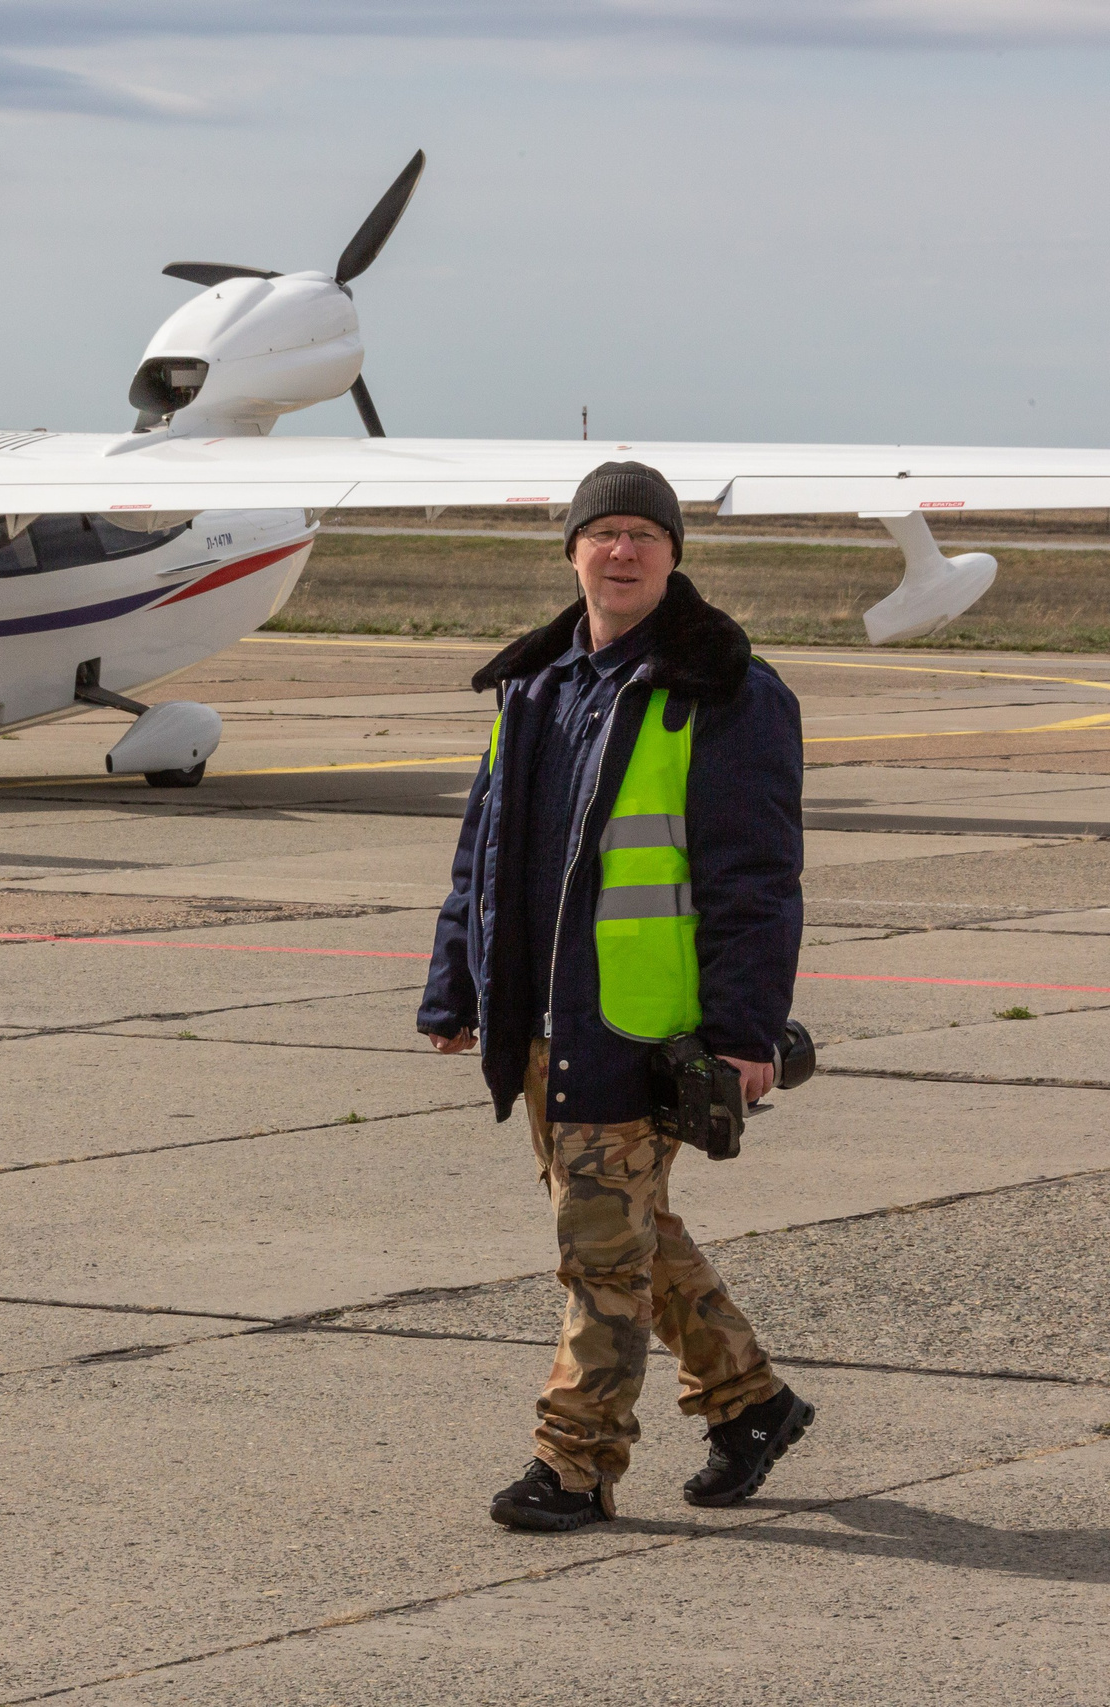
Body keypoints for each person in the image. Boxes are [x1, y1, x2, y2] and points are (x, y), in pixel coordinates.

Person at [418, 459, 813, 1534]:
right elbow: (484, 852)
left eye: (645, 533)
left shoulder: (722, 691)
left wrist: (741, 1034)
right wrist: (457, 983)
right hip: (541, 1025)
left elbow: (754, 878)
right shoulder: (536, 686)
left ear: (674, 553)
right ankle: (751, 1403)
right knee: (631, 1232)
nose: (623, 551)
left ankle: (576, 1463)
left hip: (646, 1030)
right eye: (605, 533)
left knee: (597, 1252)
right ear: (573, 552)